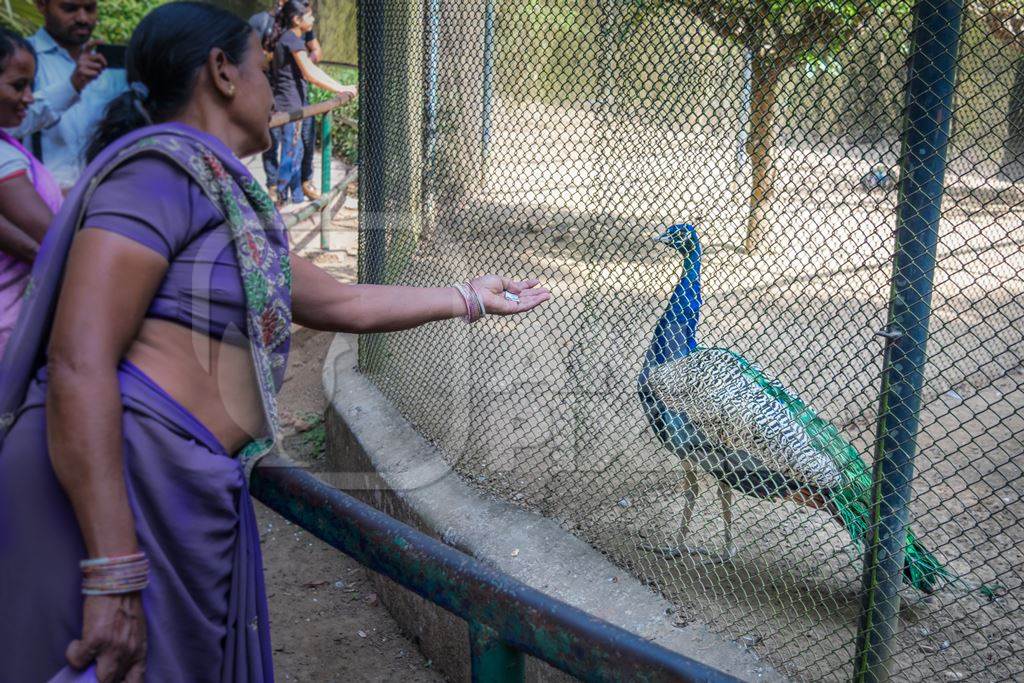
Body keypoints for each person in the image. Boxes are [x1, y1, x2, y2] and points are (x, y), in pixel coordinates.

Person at [0, 3, 550, 680]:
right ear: (222, 73)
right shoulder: (156, 175)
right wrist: (112, 567)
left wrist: (470, 296)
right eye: (265, 66)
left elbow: (341, 299)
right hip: (122, 486)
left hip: (179, 483)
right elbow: (78, 359)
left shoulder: (221, 194)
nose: (275, 84)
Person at [4, 0, 126, 190]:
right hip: (40, 201)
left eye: (90, 8)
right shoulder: (20, 60)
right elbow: (7, 129)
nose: (83, 18)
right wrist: (72, 86)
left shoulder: (113, 66)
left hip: (103, 201)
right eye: (70, 9)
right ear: (42, 5)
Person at [0, 28, 62, 356]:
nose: (28, 97)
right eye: (18, 86)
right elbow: (53, 238)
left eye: (31, 86)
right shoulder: (3, 159)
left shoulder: (8, 145)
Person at [264, 0, 352, 207]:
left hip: (285, 103)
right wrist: (340, 88)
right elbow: (310, 72)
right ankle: (278, 200)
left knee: (293, 152)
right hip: (291, 105)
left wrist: (340, 86)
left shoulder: (285, 37)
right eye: (309, 15)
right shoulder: (292, 39)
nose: (313, 18)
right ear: (296, 19)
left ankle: (284, 197)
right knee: (291, 153)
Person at [251, 0, 325, 203]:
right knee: (272, 142)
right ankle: (275, 189)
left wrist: (301, 60)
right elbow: (249, 55)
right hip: (271, 94)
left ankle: (301, 185)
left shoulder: (300, 19)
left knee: (302, 142)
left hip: (295, 93)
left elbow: (316, 51)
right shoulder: (262, 22)